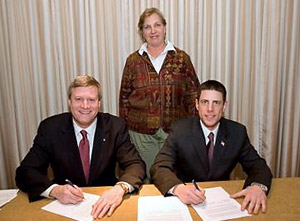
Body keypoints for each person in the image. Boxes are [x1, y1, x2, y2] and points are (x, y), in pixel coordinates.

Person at [15, 75, 146, 219]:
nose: (85, 106)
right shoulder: (50, 128)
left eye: (91, 100)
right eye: (78, 99)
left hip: (106, 206)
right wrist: (55, 191)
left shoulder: (115, 126)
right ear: (70, 102)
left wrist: (119, 189)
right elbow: (25, 172)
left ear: (99, 103)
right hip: (63, 208)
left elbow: (135, 164)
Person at [151, 80, 273, 214]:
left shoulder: (237, 132)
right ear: (197, 104)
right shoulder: (180, 130)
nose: (210, 109)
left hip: (223, 203)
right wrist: (178, 188)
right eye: (205, 102)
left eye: (216, 103)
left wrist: (258, 186)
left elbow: (258, 166)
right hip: (187, 202)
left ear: (224, 105)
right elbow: (159, 167)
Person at [119, 8, 200, 179]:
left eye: (157, 25)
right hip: (141, 134)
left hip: (175, 132)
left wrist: (193, 129)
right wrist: (124, 132)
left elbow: (193, 95)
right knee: (147, 179)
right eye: (147, 27)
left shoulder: (181, 58)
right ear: (142, 32)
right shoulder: (133, 61)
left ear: (164, 28)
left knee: (172, 179)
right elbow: (124, 98)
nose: (153, 31)